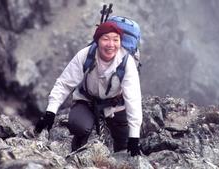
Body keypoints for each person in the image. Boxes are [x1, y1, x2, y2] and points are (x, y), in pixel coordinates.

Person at [35, 21, 142, 156]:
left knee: (125, 147)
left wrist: (134, 136)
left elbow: (133, 99)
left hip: (116, 106)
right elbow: (64, 83)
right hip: (88, 101)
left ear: (121, 42)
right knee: (79, 126)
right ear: (97, 41)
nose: (111, 44)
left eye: (116, 40)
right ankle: (76, 154)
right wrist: (50, 112)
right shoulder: (85, 55)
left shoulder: (127, 63)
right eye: (106, 39)